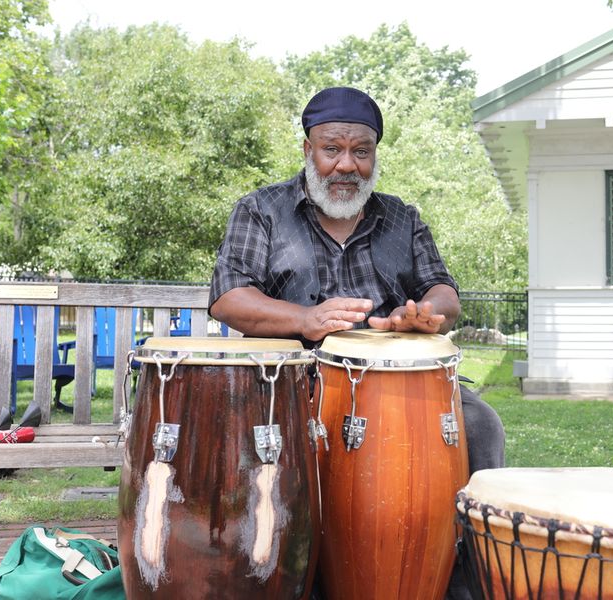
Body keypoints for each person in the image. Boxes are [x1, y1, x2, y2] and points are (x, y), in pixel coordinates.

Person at [209, 86, 504, 599]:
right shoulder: (261, 210)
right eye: (332, 149)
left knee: (479, 423)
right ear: (308, 150)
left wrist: (426, 313)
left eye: (361, 152)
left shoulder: (402, 218)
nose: (346, 165)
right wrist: (306, 317)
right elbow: (228, 298)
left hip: (399, 385)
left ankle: (458, 581)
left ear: (374, 155)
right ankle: (279, 577)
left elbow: (443, 290)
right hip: (291, 382)